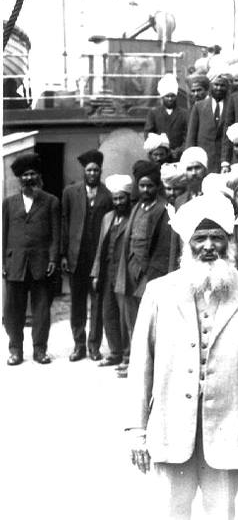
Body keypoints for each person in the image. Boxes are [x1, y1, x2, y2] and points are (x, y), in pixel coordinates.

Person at [126, 193, 238, 520]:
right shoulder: (158, 293)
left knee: (221, 514)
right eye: (200, 238)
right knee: (171, 514)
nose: (209, 246)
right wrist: (137, 432)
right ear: (186, 244)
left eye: (217, 238)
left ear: (229, 242)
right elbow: (140, 367)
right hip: (170, 430)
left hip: (228, 431)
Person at [115, 160, 172, 378]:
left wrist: (149, 273)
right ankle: (133, 362)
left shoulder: (162, 209)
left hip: (149, 273)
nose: (146, 190)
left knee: (149, 323)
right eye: (142, 185)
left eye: (150, 186)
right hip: (130, 270)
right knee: (132, 320)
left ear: (157, 186)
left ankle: (150, 367)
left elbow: (162, 248)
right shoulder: (136, 207)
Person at [3, 154, 60, 365]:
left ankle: (40, 350)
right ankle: (15, 349)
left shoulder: (51, 201)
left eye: (32, 174)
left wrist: (53, 258)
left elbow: (56, 233)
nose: (29, 178)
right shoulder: (8, 204)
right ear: (19, 179)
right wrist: (3, 262)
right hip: (15, 263)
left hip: (41, 263)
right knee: (13, 310)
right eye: (25, 175)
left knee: (42, 309)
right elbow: (4, 233)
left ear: (38, 176)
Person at [61, 149, 113, 362]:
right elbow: (64, 223)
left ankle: (94, 345)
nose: (92, 173)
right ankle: (79, 345)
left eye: (96, 170)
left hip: (97, 259)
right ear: (84, 171)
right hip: (76, 258)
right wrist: (63, 254)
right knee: (77, 303)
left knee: (97, 303)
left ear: (100, 171)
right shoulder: (70, 192)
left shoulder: (107, 195)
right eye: (89, 170)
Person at [90, 174, 134, 367]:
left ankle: (127, 355)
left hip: (124, 272)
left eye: (121, 198)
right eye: (115, 199)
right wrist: (96, 273)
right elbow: (100, 247)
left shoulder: (133, 217)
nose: (118, 202)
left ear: (127, 197)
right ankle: (115, 352)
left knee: (125, 315)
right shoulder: (107, 218)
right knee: (108, 313)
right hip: (107, 272)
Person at [186, 73, 229, 173]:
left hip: (225, 163)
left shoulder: (232, 105)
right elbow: (191, 137)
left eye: (222, 85)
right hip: (204, 162)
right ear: (210, 86)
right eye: (216, 85)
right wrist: (190, 160)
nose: (218, 88)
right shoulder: (199, 107)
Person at [145, 73, 189, 161]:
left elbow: (187, 135)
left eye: (172, 96)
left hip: (178, 156)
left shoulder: (184, 114)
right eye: (167, 96)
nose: (170, 99)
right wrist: (159, 150)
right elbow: (148, 134)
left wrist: (179, 150)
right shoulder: (154, 113)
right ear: (162, 97)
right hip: (159, 156)